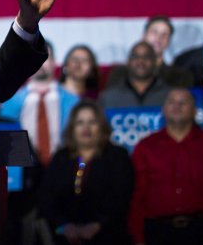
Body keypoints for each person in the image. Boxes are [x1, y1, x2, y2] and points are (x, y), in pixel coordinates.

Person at [129, 88, 203, 245]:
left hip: (201, 230)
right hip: (158, 232)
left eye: (183, 102)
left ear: (195, 111)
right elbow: (136, 196)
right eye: (171, 102)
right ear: (163, 109)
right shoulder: (146, 147)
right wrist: (138, 240)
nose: (177, 106)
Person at [39, 100, 133, 245]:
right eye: (80, 122)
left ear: (101, 127)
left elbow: (121, 197)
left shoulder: (117, 156)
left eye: (92, 122)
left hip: (109, 235)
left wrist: (98, 224)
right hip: (65, 236)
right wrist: (63, 225)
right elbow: (47, 197)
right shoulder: (60, 158)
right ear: (72, 128)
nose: (86, 128)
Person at [0, 41, 79, 167]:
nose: (39, 63)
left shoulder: (74, 101)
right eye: (32, 58)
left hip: (64, 167)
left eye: (45, 58)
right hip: (25, 170)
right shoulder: (10, 101)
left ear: (54, 61)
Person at [107, 16, 193, 88]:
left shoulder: (179, 76)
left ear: (169, 41)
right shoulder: (120, 74)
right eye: (154, 32)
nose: (159, 38)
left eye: (165, 34)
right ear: (144, 35)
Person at [98, 41, 172, 108]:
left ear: (155, 62)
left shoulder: (171, 96)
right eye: (135, 57)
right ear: (128, 62)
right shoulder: (108, 97)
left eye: (146, 57)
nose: (141, 61)